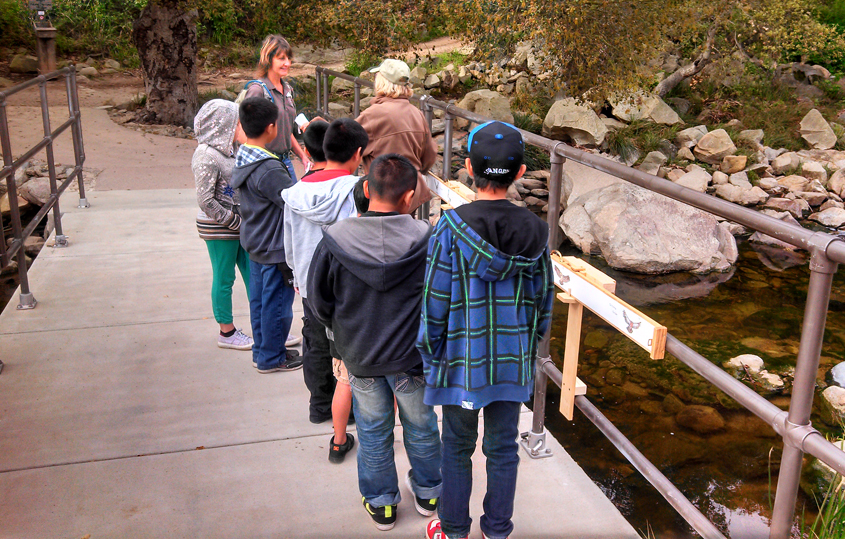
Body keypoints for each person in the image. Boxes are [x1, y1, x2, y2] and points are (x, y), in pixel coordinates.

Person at [417, 122, 555, 539]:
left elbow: (434, 301)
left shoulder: (449, 228)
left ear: (467, 167)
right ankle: (497, 530)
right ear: (521, 173)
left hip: (460, 361)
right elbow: (542, 301)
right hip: (510, 362)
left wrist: (429, 354)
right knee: (503, 449)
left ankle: (454, 529)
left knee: (456, 447)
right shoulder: (536, 231)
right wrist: (528, 349)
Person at [308, 153, 441, 531]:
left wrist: (343, 337)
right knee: (421, 424)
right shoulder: (427, 240)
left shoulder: (335, 241)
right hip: (411, 359)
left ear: (366, 190)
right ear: (410, 197)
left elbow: (319, 303)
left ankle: (382, 503)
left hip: (360, 356)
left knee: (372, 429)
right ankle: (430, 492)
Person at [282, 118, 367, 423]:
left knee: (315, 342)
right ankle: (351, 408)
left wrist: (296, 275)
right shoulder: (355, 190)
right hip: (347, 286)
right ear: (358, 153)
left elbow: (288, 242)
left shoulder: (294, 192)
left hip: (309, 282)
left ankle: (320, 404)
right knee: (347, 347)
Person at [230, 97, 303, 374]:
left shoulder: (245, 156)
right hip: (274, 247)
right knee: (277, 305)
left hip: (255, 242)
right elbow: (292, 202)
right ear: (272, 128)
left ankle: (263, 350)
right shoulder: (270, 167)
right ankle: (272, 358)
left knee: (260, 301)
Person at [191, 99, 253, 350]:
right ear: (224, 124)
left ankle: (266, 324)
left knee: (253, 275)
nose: (241, 125)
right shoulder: (205, 155)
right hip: (220, 229)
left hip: (240, 226)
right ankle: (226, 332)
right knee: (224, 277)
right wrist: (233, 221)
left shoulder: (231, 149)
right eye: (237, 121)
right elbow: (205, 199)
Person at [355, 58, 437, 212]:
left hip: (382, 194)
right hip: (410, 193)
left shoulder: (372, 115)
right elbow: (430, 156)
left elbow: (347, 146)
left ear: (382, 82)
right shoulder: (417, 114)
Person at [245, 34, 311, 181]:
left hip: (286, 161)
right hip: (264, 164)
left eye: (289, 58)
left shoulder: (287, 89)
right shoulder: (257, 90)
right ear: (268, 59)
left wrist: (303, 157)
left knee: (289, 203)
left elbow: (286, 130)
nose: (287, 63)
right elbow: (243, 131)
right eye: (281, 58)